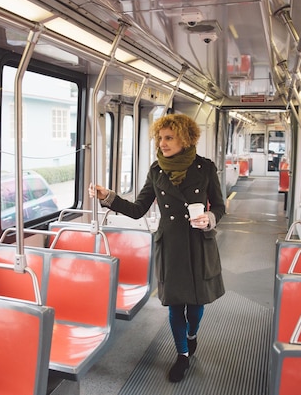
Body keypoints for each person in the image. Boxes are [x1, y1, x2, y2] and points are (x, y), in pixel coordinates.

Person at [88, 113, 225, 383]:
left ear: (185, 139)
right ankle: (182, 354)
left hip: (199, 242)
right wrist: (110, 198)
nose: (162, 143)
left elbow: (219, 206)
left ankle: (192, 334)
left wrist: (210, 218)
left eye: (169, 138)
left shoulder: (206, 168)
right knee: (175, 306)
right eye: (160, 138)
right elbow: (139, 210)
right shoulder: (156, 171)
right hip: (171, 245)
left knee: (196, 305)